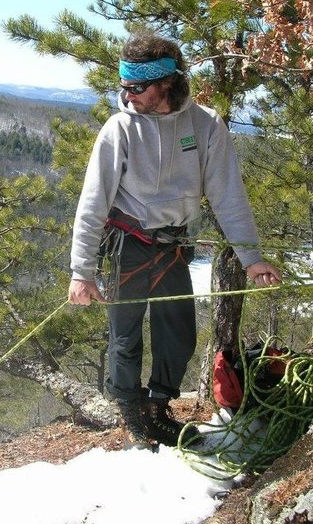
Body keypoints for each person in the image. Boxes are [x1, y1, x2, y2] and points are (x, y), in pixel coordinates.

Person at [68, 31, 281, 447]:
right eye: (124, 86)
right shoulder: (119, 130)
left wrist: (251, 257)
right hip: (128, 241)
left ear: (166, 81)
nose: (128, 95)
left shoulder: (204, 126)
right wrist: (82, 271)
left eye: (137, 86)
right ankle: (133, 414)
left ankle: (157, 408)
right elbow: (92, 203)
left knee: (178, 333)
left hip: (172, 244)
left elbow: (227, 195)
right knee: (125, 334)